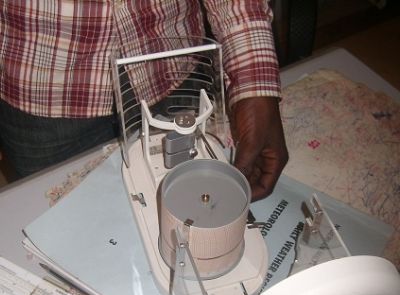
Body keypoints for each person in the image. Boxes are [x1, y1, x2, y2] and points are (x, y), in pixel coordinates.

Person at [0, 0, 288, 201]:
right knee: (67, 229)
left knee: (189, 202)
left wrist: (255, 83)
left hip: (173, 65)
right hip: (41, 86)